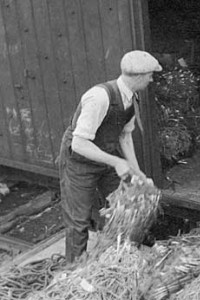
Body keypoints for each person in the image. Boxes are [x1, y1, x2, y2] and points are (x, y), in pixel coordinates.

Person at [58, 50, 162, 262]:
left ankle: (125, 253)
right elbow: (79, 143)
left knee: (127, 203)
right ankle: (73, 272)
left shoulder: (131, 98)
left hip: (106, 156)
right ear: (139, 76)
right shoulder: (99, 97)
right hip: (80, 162)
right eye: (151, 75)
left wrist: (138, 173)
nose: (152, 79)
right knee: (79, 220)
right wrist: (117, 162)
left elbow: (124, 137)